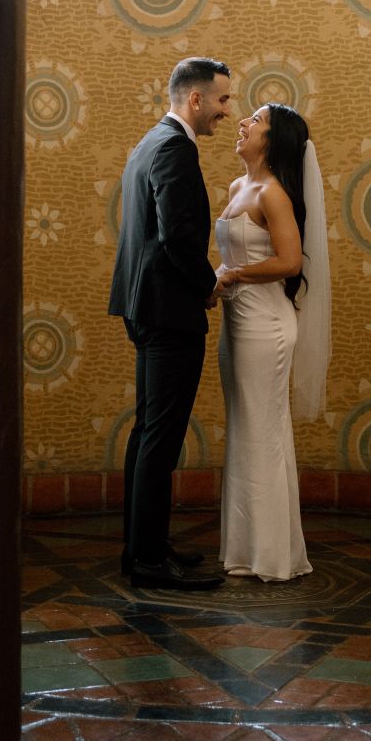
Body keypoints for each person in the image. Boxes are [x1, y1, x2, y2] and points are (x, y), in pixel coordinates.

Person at [108, 57, 232, 590]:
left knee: (147, 434)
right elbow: (179, 235)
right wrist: (208, 285)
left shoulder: (148, 141)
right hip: (169, 312)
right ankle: (150, 562)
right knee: (161, 437)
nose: (228, 111)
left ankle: (143, 547)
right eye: (223, 100)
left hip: (144, 306)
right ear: (196, 99)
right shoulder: (176, 149)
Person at [215, 102, 331, 582]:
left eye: (256, 121)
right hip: (235, 322)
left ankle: (272, 556)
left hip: (266, 325)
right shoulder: (238, 186)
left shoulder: (275, 193)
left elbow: (289, 262)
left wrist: (234, 273)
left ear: (274, 140)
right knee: (246, 428)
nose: (243, 123)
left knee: (262, 431)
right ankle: (245, 549)